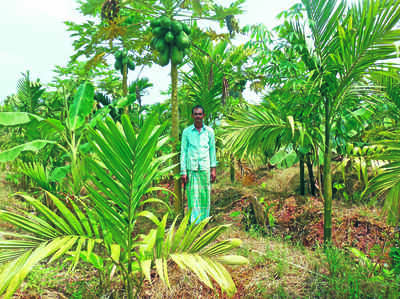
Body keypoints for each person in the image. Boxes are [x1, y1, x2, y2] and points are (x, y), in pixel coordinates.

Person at [180, 105, 217, 224]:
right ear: (192, 116)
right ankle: (194, 222)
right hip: (191, 168)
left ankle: (204, 221)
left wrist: (213, 169)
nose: (198, 117)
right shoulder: (187, 132)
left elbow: (212, 150)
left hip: (205, 168)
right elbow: (184, 152)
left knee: (204, 195)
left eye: (200, 114)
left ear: (203, 116)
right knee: (192, 196)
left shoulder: (209, 132)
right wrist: (183, 171)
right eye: (195, 114)